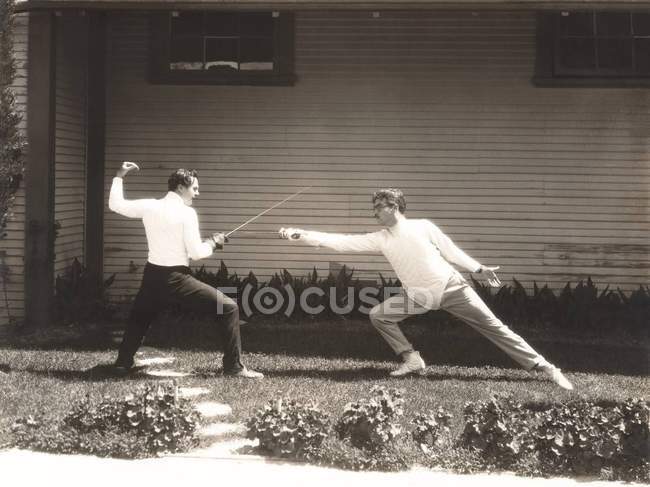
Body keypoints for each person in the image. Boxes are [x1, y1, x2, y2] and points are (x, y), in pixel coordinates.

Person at [279, 188, 573, 390]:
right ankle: (412, 359)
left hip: (452, 287)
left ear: (393, 206)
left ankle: (545, 368)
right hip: (418, 296)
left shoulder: (423, 226)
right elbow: (341, 243)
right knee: (380, 315)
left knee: (495, 327)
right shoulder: (381, 238)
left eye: (378, 208)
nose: (375, 214)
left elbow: (451, 251)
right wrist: (302, 235)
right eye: (375, 209)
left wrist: (478, 269)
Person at [108, 161, 263, 378]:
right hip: (176, 278)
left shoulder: (150, 206)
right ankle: (234, 367)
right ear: (181, 187)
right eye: (195, 188)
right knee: (228, 308)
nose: (197, 193)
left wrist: (119, 175)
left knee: (140, 318)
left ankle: (123, 364)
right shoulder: (187, 213)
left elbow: (116, 205)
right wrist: (213, 243)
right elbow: (197, 253)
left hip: (152, 275)